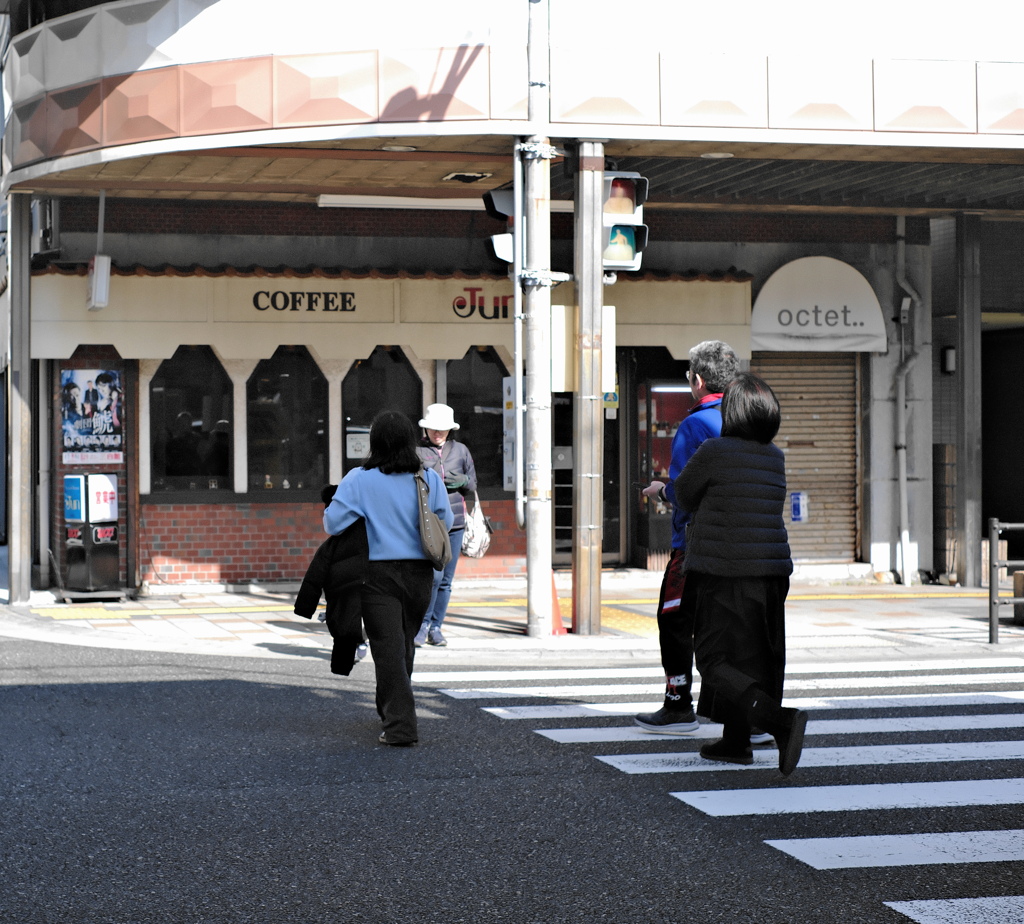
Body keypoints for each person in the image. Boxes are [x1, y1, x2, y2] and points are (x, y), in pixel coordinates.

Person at [674, 372, 807, 776]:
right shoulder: (775, 456)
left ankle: (778, 722)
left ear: (732, 412)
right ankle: (735, 742)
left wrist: (664, 489)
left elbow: (683, 494)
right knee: (749, 659)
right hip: (771, 574)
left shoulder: (715, 450)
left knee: (713, 658)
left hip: (726, 570)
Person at [323, 410, 452, 747]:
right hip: (420, 574)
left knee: (389, 649)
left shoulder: (358, 479)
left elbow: (332, 523)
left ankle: (400, 727)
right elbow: (446, 519)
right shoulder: (428, 478)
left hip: (376, 574)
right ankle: (390, 710)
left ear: (375, 442)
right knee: (402, 645)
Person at [634, 340, 740, 736]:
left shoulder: (696, 423)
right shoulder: (746, 420)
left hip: (695, 545)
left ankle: (678, 704)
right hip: (740, 545)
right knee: (727, 627)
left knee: (674, 619)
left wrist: (661, 490)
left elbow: (684, 490)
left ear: (697, 380)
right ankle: (744, 712)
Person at [413, 403, 477, 648]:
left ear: (450, 429)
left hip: (456, 524)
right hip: (429, 523)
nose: (437, 433)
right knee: (433, 577)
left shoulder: (461, 450)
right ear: (426, 429)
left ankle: (436, 627)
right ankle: (422, 625)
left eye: (442, 428)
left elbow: (472, 484)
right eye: (433, 428)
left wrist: (464, 481)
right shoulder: (416, 451)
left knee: (446, 580)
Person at [293, 484, 369, 675]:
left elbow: (314, 575)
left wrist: (304, 607)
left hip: (341, 596)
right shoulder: (373, 533)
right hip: (374, 588)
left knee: (343, 629)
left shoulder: (332, 544)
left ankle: (342, 666)